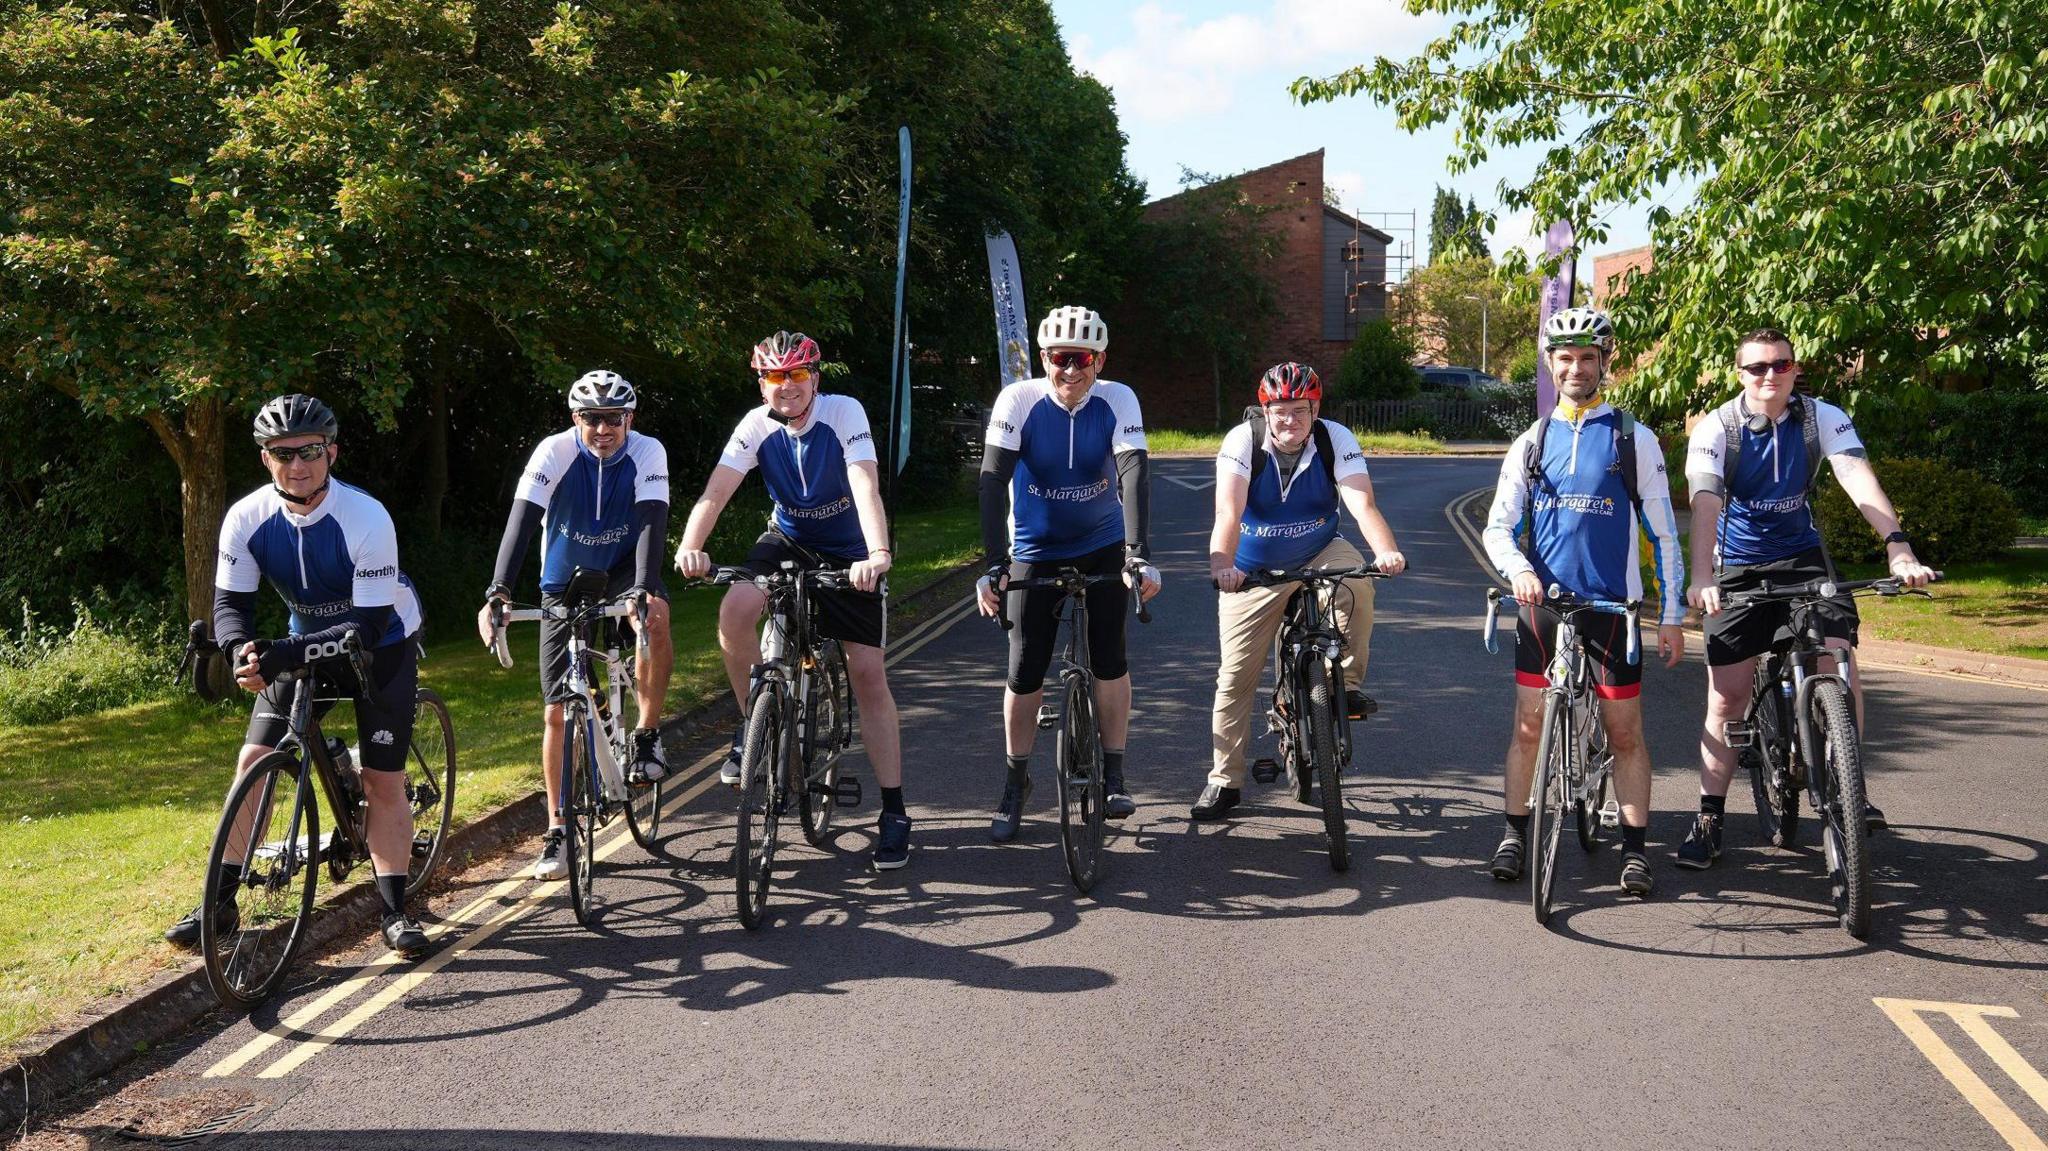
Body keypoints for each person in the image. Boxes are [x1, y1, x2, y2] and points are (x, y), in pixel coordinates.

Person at [166, 394, 430, 956]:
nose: (297, 464)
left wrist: (283, 651)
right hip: (303, 643)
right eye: (282, 453)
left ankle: (394, 910)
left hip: (381, 644)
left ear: (331, 452)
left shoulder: (366, 516)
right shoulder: (247, 518)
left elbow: (364, 625)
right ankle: (220, 902)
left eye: (309, 451)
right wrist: (241, 651)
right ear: (266, 459)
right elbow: (230, 605)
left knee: (384, 780)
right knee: (253, 761)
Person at [1678, 328, 1935, 868]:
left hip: (1802, 556)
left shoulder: (1823, 416)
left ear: (1796, 369)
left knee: (1838, 659)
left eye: (1781, 364)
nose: (1769, 375)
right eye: (1757, 367)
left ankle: (1849, 782)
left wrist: (1897, 548)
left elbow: (1853, 474)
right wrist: (1702, 578)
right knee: (1727, 696)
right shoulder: (1716, 428)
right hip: (1738, 565)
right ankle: (1709, 817)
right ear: (1739, 373)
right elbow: (1705, 502)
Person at [673, 331, 911, 871]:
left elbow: (863, 483)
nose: (788, 387)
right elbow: (717, 490)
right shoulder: (755, 427)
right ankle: (755, 726)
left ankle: (894, 812)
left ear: (815, 379)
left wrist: (877, 551)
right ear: (762, 384)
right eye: (776, 377)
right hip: (788, 540)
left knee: (869, 673)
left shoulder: (843, 412)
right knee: (734, 609)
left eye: (797, 376)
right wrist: (691, 546)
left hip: (850, 550)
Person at [1481, 307, 1685, 897]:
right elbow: (1498, 527)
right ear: (1551, 365)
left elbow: (1663, 535)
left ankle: (1635, 849)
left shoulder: (1632, 438)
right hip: (1544, 607)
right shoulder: (1532, 440)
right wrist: (1519, 570)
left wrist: (1670, 616)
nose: (1575, 368)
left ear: (1604, 362)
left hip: (1612, 612)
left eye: (1586, 358)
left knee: (1625, 734)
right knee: (1526, 727)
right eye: (1564, 359)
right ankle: (1515, 834)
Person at [477, 370, 673, 882]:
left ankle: (648, 734)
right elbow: (521, 522)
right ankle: (559, 828)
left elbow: (653, 519)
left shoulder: (648, 452)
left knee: (658, 613)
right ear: (575, 419)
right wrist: (498, 591)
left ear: (630, 419)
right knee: (556, 712)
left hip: (626, 566)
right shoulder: (554, 452)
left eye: (614, 419)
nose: (603, 429)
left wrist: (643, 589)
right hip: (562, 579)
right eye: (592, 419)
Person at [976, 305, 1160, 842]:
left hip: (1102, 544)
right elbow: (992, 481)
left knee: (1110, 658)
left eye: (1083, 359)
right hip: (1034, 546)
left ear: (1100, 359)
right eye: (1061, 359)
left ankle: (1116, 771)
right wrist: (993, 565)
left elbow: (1133, 473)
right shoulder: (1020, 400)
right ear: (1044, 359)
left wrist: (1137, 554)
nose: (1072, 370)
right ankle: (1015, 782)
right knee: (1024, 669)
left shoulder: (1117, 398)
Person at [1192, 362, 1405, 821]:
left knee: (1358, 585)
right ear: (1265, 411)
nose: (1290, 421)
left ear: (1316, 411)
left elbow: (1361, 501)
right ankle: (1224, 780)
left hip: (1320, 550)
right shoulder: (1242, 442)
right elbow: (1228, 512)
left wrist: (1386, 551)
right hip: (1254, 567)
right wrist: (1221, 565)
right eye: (1281, 412)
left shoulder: (1335, 439)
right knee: (1234, 678)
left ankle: (1344, 686)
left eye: (1300, 412)